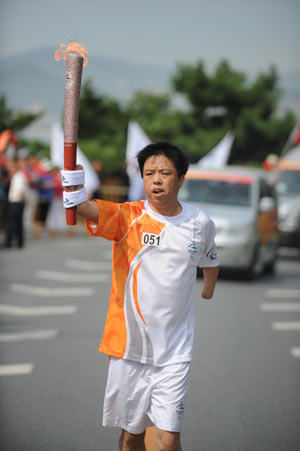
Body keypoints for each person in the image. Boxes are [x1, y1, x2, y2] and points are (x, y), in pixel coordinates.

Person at [62, 142, 219, 450]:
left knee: (168, 438)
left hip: (174, 351)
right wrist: (75, 188)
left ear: (181, 179)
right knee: (133, 436)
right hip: (129, 349)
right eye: (149, 173)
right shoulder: (128, 217)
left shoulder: (199, 223)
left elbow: (210, 259)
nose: (156, 180)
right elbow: (86, 208)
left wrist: (208, 290)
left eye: (164, 173)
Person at [4, 157, 29, 248]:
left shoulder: (18, 176)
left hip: (16, 202)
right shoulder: (17, 175)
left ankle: (10, 242)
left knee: (12, 223)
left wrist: (22, 199)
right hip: (17, 202)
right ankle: (19, 242)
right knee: (17, 223)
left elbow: (20, 190)